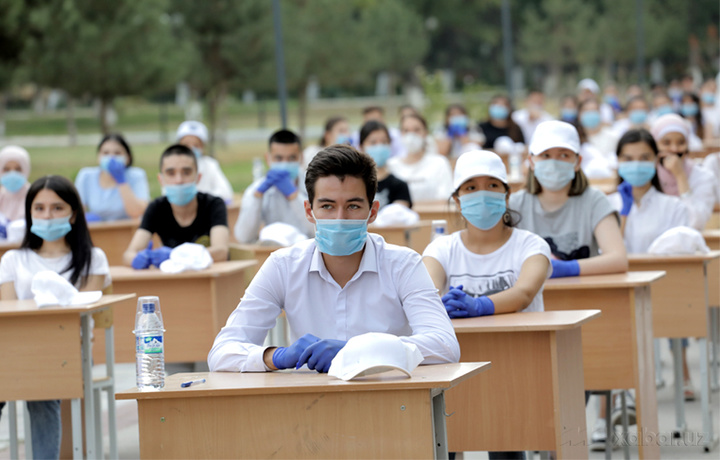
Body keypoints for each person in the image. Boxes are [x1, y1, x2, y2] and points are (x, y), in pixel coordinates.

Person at [208, 145, 460, 373]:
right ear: (309, 210)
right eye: (327, 206)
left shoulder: (403, 264)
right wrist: (278, 356)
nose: (340, 218)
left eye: (353, 206)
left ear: (372, 212)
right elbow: (221, 353)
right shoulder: (282, 266)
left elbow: (445, 345)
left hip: (388, 398)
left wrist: (358, 351)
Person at [0, 175, 111, 460]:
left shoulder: (93, 258)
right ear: (29, 213)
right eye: (39, 208)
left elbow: (83, 317)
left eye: (57, 208)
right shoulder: (12, 259)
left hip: (67, 353)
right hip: (17, 350)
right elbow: (10, 316)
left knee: (42, 386)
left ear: (73, 214)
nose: (47, 215)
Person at [423, 149, 551, 316]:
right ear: (457, 201)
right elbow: (427, 296)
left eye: (492, 185)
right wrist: (439, 306)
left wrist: (479, 305)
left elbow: (524, 294)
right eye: (471, 187)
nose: (482, 195)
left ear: (506, 196)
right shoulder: (440, 250)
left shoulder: (532, 246)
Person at [509, 120, 628, 279]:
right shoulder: (515, 205)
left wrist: (567, 268)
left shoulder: (594, 201)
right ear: (531, 161)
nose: (554, 162)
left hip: (585, 297)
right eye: (545, 155)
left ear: (577, 162)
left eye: (564, 155)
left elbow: (618, 259)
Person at [123, 144, 229, 268]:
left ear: (198, 177)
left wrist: (175, 256)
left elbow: (221, 252)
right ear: (161, 179)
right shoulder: (156, 207)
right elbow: (128, 254)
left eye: (186, 172)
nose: (179, 180)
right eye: (171, 173)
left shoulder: (214, 204)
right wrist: (138, 258)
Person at [608, 129, 689, 253]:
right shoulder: (607, 205)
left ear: (656, 160)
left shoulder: (674, 208)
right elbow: (606, 253)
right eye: (628, 159)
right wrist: (624, 214)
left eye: (644, 158)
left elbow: (680, 254)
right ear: (618, 161)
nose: (636, 165)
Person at [234, 129, 314, 243]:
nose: (285, 163)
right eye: (279, 158)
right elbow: (243, 237)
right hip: (272, 252)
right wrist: (257, 197)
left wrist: (294, 197)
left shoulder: (314, 185)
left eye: (291, 158)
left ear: (301, 158)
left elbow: (320, 230)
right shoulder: (257, 189)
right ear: (268, 158)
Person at [651, 113, 717, 230]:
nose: (674, 149)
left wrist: (680, 176)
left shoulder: (703, 177)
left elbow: (695, 223)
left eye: (681, 142)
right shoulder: (647, 175)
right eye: (666, 143)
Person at [75, 133, 150, 222]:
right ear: (98, 157)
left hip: (128, 230)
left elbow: (137, 212)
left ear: (128, 158)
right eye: (106, 153)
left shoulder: (136, 175)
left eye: (117, 153)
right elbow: (76, 212)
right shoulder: (86, 176)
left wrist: (121, 181)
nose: (111, 158)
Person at [388, 114, 453, 201]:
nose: (411, 135)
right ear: (401, 134)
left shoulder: (439, 163)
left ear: (425, 133)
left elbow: (446, 198)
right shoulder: (391, 165)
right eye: (406, 130)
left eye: (416, 130)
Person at [175, 120, 234, 202]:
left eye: (196, 145)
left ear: (203, 147)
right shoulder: (172, 166)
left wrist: (201, 200)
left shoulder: (210, 164)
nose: (191, 148)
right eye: (186, 145)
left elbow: (225, 192)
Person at [359, 120, 412, 209]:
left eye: (384, 142)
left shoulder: (399, 185)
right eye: (373, 142)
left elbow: (400, 215)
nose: (379, 146)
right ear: (361, 147)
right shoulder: (356, 184)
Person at [576, 98, 620, 170]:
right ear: (579, 115)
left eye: (594, 110)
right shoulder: (576, 138)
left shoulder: (613, 137)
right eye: (586, 111)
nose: (591, 114)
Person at [0, 145, 31, 228]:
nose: (12, 174)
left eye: (18, 169)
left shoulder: (33, 195)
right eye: (6, 169)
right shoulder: (1, 195)